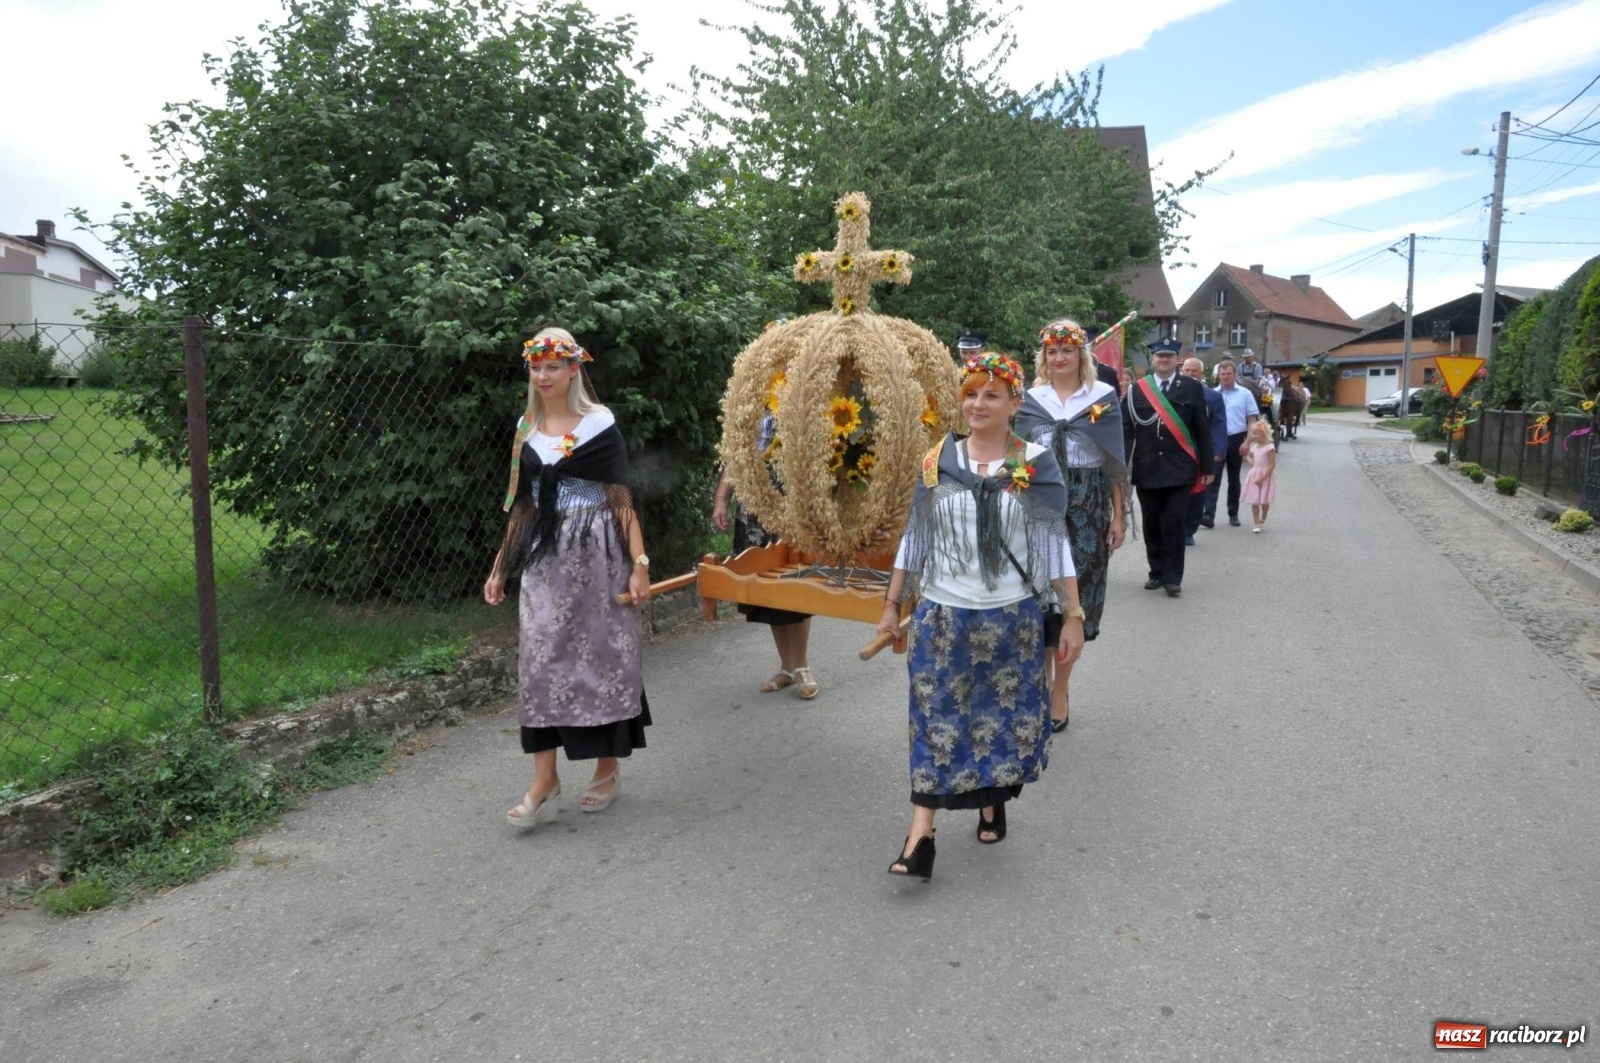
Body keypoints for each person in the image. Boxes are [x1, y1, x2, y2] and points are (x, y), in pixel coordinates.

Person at [875, 349, 1085, 881]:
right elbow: (915, 537)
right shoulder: (936, 460)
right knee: (934, 722)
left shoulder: (1036, 464)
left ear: (1016, 402)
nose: (978, 403)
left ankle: (991, 801)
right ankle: (920, 836)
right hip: (941, 619)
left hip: (1009, 620)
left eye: (992, 393)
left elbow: (1053, 544)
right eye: (970, 392)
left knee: (996, 723)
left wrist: (1074, 613)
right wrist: (890, 605)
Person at [484, 327, 652, 830]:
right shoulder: (525, 430)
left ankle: (606, 769)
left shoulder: (599, 425)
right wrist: (500, 568)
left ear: (573, 369)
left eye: (552, 367)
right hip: (544, 557)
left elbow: (621, 498)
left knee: (602, 656)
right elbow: (522, 508)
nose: (543, 376)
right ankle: (544, 781)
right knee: (539, 658)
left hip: (599, 554)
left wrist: (640, 564)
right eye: (536, 368)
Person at [1014, 318, 1126, 733]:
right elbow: (1015, 455)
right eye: (1052, 351)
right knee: (1037, 595)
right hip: (1039, 500)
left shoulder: (1102, 395)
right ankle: (1038, 685)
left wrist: (1119, 516)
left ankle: (1061, 688)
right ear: (1044, 356)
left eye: (1067, 350)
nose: (1060, 357)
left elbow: (1115, 462)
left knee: (1074, 601)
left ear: (1082, 353)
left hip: (1087, 503)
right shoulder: (1029, 398)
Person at [711, 427, 819, 699]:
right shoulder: (745, 403)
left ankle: (803, 667)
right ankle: (787, 667)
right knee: (765, 587)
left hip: (789, 499)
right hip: (753, 505)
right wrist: (721, 499)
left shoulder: (792, 392)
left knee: (794, 583)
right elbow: (735, 457)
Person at [1122, 338, 1213, 597]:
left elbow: (1202, 430)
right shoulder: (1137, 390)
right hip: (1147, 467)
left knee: (1174, 523)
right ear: (1152, 360)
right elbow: (1127, 430)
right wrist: (1121, 467)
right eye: (1159, 356)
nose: (1164, 360)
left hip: (1179, 469)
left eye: (1169, 356)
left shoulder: (1192, 388)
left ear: (1177, 360)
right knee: (1151, 523)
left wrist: (1207, 466)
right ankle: (1156, 572)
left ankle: (1173, 578)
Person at [1181, 357, 1226, 545]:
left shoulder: (1213, 397)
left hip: (1200, 453)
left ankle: (1190, 529)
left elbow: (1218, 425)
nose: (1190, 374)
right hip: (1178, 452)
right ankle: (1176, 528)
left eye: (1194, 371)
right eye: (1187, 370)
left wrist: (1217, 451)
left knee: (1198, 493)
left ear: (1202, 373)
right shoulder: (1173, 393)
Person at [1211, 358, 1260, 528]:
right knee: (1213, 477)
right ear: (1218, 375)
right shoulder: (1213, 394)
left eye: (1228, 374)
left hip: (1236, 439)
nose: (1225, 377)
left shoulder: (1244, 394)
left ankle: (1233, 513)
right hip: (1217, 440)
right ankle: (1208, 514)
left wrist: (1248, 442)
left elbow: (1252, 420)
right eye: (1222, 374)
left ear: (1234, 375)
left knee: (1233, 477)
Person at [1240, 417, 1277, 533]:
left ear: (1264, 433)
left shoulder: (1269, 448)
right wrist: (1245, 456)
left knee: (1264, 502)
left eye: (1257, 434)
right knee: (1254, 500)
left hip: (1265, 476)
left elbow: (1271, 465)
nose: (1254, 436)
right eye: (1253, 434)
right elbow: (1254, 463)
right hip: (1255, 475)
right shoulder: (1254, 448)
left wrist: (1263, 477)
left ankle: (1264, 513)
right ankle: (1256, 523)